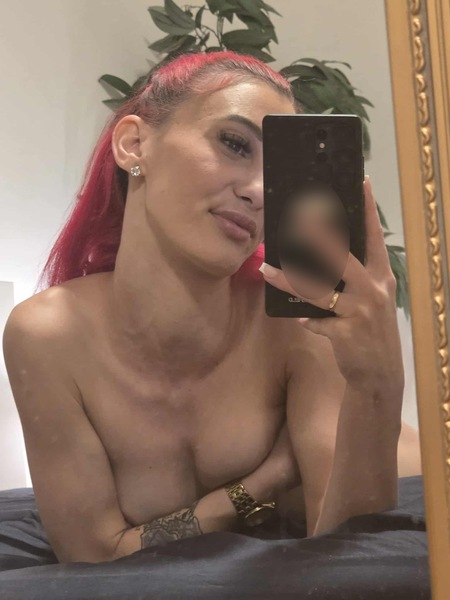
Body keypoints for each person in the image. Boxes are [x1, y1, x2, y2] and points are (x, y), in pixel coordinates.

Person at [2, 51, 421, 564]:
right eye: (235, 144)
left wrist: (379, 383)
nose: (259, 192)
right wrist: (264, 481)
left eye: (278, 174)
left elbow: (348, 560)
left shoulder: (294, 323)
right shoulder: (49, 335)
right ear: (134, 144)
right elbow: (92, 556)